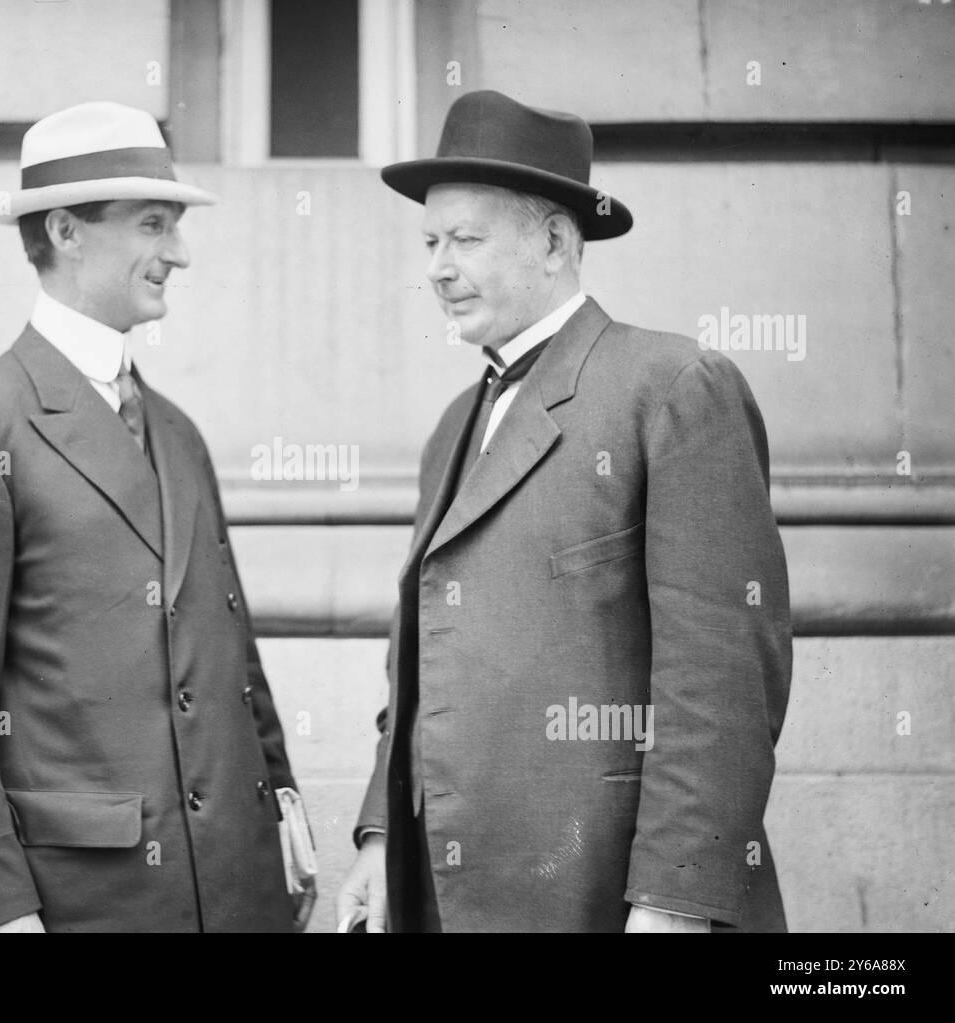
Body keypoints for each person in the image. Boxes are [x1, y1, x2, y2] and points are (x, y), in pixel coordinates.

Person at [336, 90, 792, 932]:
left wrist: (674, 900)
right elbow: (420, 665)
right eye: (430, 242)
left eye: (465, 239)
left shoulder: (672, 385)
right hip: (445, 893)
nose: (437, 266)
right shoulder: (451, 429)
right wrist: (378, 835)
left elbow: (723, 678)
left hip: (603, 893)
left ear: (552, 240)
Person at [0, 101, 311, 933]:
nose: (178, 253)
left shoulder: (176, 431)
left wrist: (282, 815)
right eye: (153, 224)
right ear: (67, 231)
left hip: (242, 892)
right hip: (88, 905)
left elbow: (230, 659)